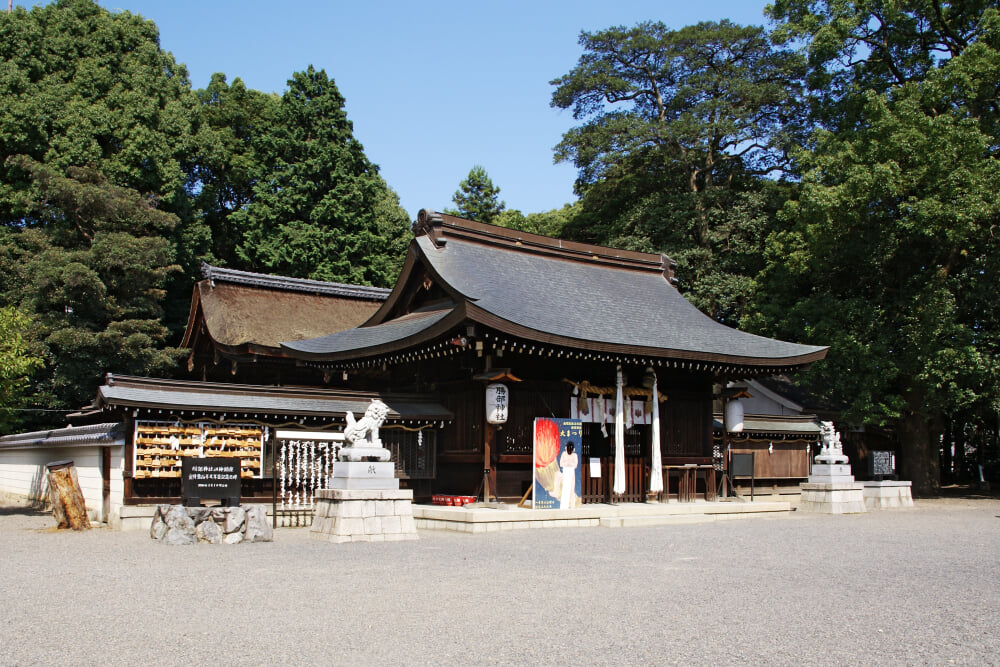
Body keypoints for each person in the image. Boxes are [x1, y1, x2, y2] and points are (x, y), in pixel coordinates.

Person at [559, 442, 579, 509]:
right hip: (566, 472)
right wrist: (569, 463)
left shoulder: (574, 455)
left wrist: (567, 463)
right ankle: (564, 505)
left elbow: (575, 465)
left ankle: (572, 505)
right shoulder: (564, 454)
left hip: (571, 472)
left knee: (571, 489)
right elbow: (561, 464)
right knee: (565, 489)